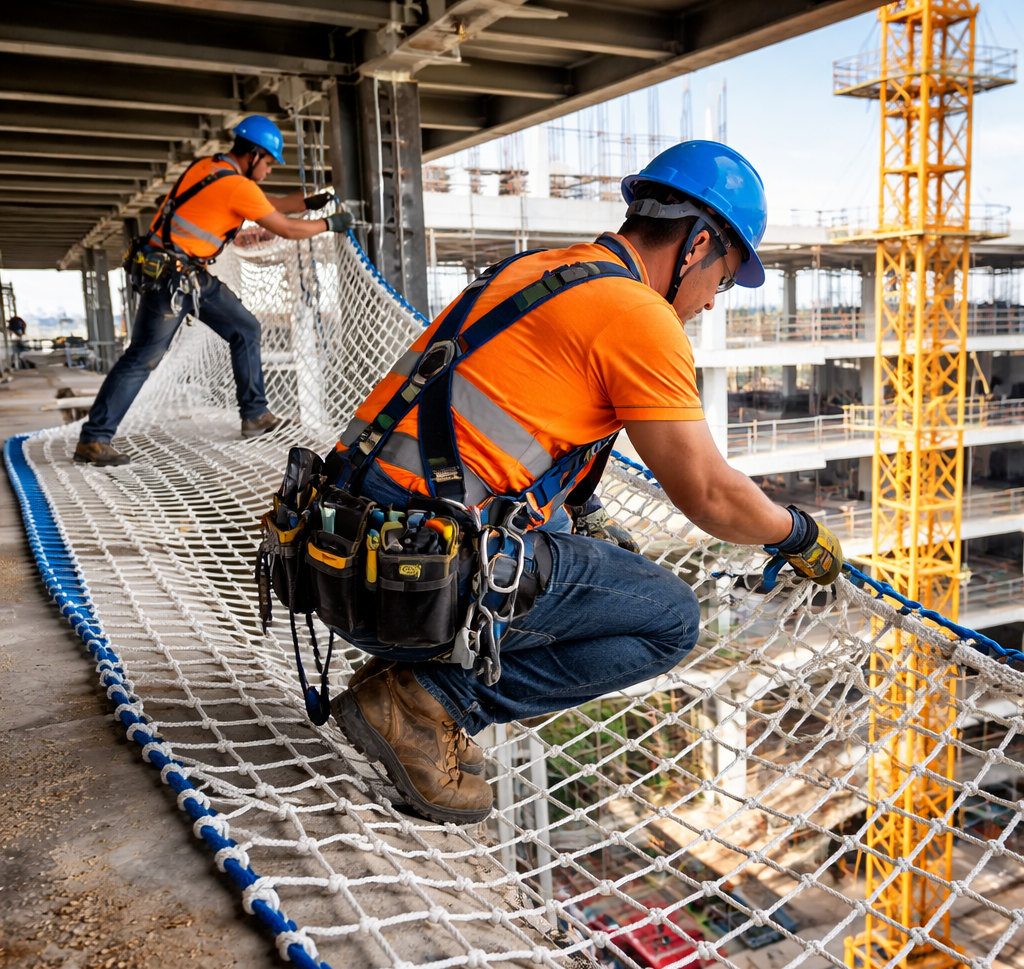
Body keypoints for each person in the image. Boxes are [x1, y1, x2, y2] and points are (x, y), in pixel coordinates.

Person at [323, 141, 843, 825]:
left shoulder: (535, 270)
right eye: (722, 279)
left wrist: (578, 508)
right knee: (669, 621)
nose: (713, 303)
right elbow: (709, 494)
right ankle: (426, 701)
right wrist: (797, 534)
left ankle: (405, 676)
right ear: (698, 243)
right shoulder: (639, 315)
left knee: (577, 541)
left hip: (340, 553)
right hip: (412, 579)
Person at [75, 115, 353, 467]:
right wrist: (330, 223)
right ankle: (94, 438)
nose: (269, 170)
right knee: (142, 358)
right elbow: (285, 228)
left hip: (184, 275)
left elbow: (265, 203)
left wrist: (304, 204)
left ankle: (255, 416)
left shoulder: (208, 168)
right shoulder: (238, 187)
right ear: (253, 154)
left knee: (245, 328)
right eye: (268, 162)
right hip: (173, 281)